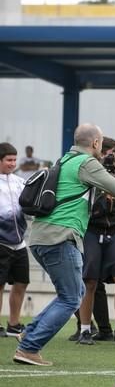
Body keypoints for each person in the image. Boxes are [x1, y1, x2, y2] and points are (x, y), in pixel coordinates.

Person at [14, 124, 115, 366]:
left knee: (71, 293)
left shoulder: (65, 160)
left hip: (41, 237)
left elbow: (82, 198)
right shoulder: (87, 163)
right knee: (71, 297)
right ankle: (29, 347)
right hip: (61, 237)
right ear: (96, 143)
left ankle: (30, 333)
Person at [74, 137, 115, 345]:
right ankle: (84, 329)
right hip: (91, 231)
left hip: (112, 232)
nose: (112, 157)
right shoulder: (90, 171)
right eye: (109, 152)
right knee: (89, 281)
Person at [0, 143, 28, 338]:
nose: (13, 163)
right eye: (9, 160)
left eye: (14, 160)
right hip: (1, 242)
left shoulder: (20, 182)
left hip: (20, 243)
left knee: (21, 283)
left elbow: (29, 206)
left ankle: (14, 324)